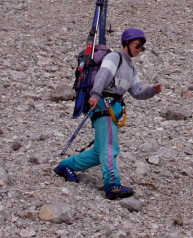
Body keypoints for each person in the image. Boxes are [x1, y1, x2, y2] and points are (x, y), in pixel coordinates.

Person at [54, 28, 162, 199]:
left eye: (141, 47)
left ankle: (65, 166)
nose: (139, 50)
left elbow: (137, 92)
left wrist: (152, 91)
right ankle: (112, 185)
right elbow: (102, 76)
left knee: (99, 151)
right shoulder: (114, 57)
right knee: (110, 147)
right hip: (104, 107)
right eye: (137, 45)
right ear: (126, 43)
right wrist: (95, 94)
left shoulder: (131, 69)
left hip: (111, 110)